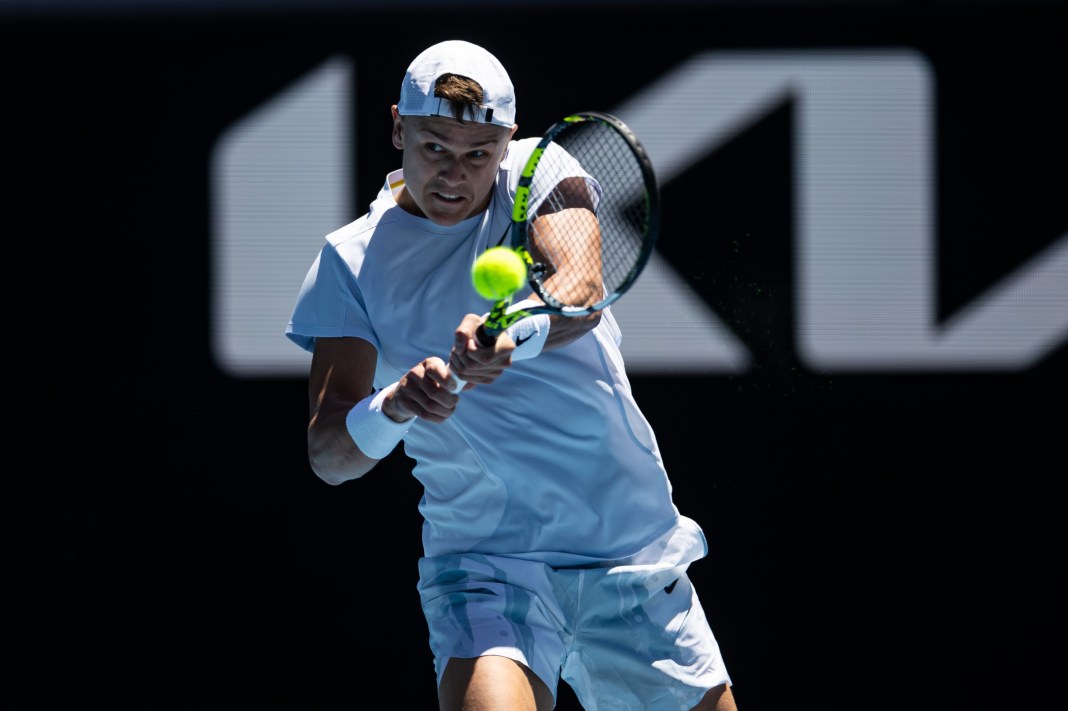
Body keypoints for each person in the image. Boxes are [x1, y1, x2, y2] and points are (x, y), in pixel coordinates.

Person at [286, 39, 738, 711]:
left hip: (626, 548)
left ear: (509, 143)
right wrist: (397, 402)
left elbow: (579, 290)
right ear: (396, 127)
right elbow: (329, 454)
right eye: (434, 147)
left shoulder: (542, 171)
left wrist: (509, 335)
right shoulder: (348, 261)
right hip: (488, 561)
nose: (452, 176)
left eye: (477, 155)